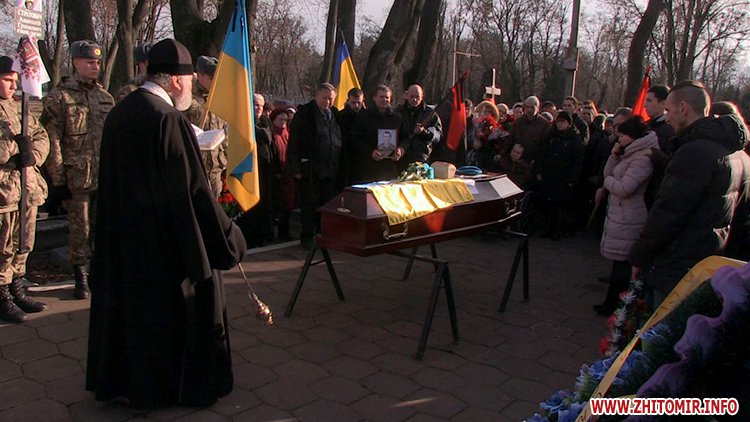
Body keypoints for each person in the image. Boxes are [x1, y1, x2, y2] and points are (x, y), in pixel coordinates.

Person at [86, 38, 246, 409]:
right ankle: (165, 389)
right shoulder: (169, 119)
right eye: (188, 79)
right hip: (163, 248)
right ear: (175, 80)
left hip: (126, 241)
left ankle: (126, 384)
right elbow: (193, 193)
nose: (190, 86)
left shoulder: (121, 112)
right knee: (173, 316)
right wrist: (228, 236)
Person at [629, 80, 750, 306]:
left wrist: (639, 255)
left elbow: (667, 213)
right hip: (706, 264)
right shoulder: (734, 152)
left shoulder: (695, 151)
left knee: (661, 325)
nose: (666, 118)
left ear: (683, 108)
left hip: (677, 265)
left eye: (668, 110)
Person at [41, 40, 115, 300]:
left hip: (103, 175)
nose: (95, 66)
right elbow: (52, 140)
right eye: (89, 62)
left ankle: (99, 272)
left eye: (97, 62)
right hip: (76, 178)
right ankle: (80, 276)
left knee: (102, 227)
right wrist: (58, 180)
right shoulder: (59, 97)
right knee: (79, 230)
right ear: (75, 62)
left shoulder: (105, 97)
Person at [0, 56, 49, 323]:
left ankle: (17, 287)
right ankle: (2, 295)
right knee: (3, 246)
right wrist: (15, 147)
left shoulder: (21, 107)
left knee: (23, 244)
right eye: (7, 80)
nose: (12, 85)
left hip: (27, 188)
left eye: (15, 81)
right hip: (4, 193)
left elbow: (40, 136)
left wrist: (33, 155)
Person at [594, 117, 659, 316]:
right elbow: (608, 172)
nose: (619, 139)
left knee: (623, 264)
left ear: (632, 136)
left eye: (622, 136)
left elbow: (625, 188)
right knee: (618, 263)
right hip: (620, 213)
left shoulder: (642, 158)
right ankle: (610, 302)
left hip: (630, 216)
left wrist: (608, 182)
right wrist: (614, 155)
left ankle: (615, 305)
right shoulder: (628, 152)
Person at [287, 83, 343, 248]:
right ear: (317, 96)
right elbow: (294, 142)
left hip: (331, 169)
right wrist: (296, 168)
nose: (327, 102)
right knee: (309, 205)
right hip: (310, 170)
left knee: (326, 205)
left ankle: (322, 235)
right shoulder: (305, 114)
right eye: (324, 98)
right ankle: (307, 237)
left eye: (330, 99)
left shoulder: (335, 114)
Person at [535, 111, 583, 239]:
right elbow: (541, 154)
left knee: (560, 205)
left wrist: (572, 179)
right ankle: (546, 228)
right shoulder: (550, 136)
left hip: (563, 177)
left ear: (569, 123)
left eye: (563, 122)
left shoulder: (574, 138)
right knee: (547, 204)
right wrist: (539, 172)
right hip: (548, 175)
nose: (560, 124)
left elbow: (577, 161)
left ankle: (557, 230)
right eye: (558, 121)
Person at [184, 55, 227, 198]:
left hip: (216, 167)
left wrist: (226, 156)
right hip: (195, 166)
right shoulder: (187, 98)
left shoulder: (219, 98)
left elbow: (225, 131)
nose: (215, 81)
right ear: (200, 75)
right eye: (211, 78)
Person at [351, 84, 405, 183]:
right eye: (381, 97)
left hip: (390, 168)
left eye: (387, 97)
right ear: (374, 98)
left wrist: (401, 150)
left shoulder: (397, 117)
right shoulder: (363, 116)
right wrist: (370, 152)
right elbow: (355, 139)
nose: (384, 100)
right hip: (368, 168)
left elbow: (405, 138)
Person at [396, 84, 442, 166]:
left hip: (421, 158)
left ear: (422, 96)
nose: (415, 99)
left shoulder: (430, 114)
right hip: (401, 158)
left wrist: (424, 132)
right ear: (406, 95)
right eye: (412, 96)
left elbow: (438, 136)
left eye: (417, 97)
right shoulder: (397, 112)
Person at [269, 108, 294, 240]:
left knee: (288, 204)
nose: (283, 122)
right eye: (281, 119)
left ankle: (284, 232)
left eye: (285, 120)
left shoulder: (288, 134)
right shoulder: (272, 135)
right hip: (276, 176)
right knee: (277, 204)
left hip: (288, 175)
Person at [503, 96, 551, 162]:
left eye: (532, 107)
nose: (529, 110)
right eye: (527, 107)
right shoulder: (518, 122)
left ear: (538, 108)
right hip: (515, 160)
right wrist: (502, 154)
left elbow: (544, 146)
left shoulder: (544, 124)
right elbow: (510, 139)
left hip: (532, 161)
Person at [337, 87, 364, 185]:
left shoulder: (367, 117)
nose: (356, 106)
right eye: (353, 103)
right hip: (345, 157)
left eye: (359, 103)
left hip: (362, 158)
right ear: (348, 101)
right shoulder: (340, 116)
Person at [644, 85, 675, 153]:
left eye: (649, 101)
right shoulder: (644, 126)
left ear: (663, 103)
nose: (645, 105)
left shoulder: (671, 129)